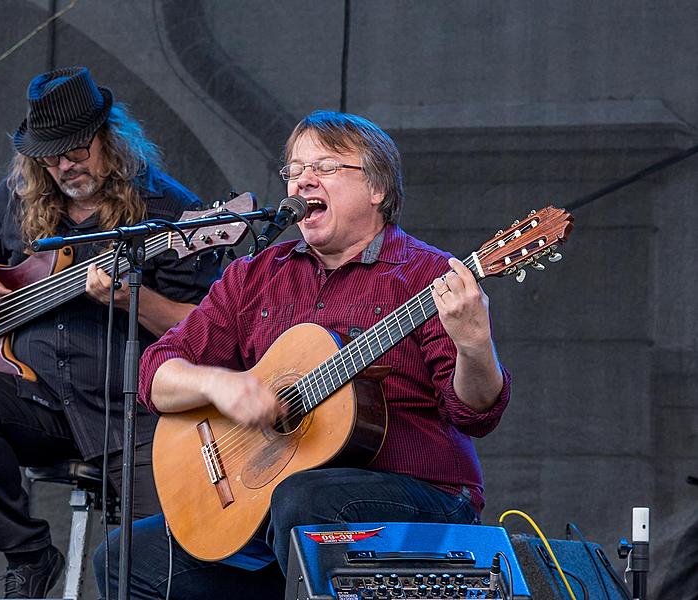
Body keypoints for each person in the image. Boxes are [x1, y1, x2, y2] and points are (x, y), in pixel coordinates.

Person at [95, 110, 511, 598]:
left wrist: (474, 344)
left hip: (420, 493)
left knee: (304, 496)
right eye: (294, 170)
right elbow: (154, 373)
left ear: (377, 188)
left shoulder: (428, 276)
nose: (303, 180)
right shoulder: (253, 276)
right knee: (126, 558)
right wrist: (219, 385)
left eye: (326, 167)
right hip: (281, 509)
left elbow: (475, 413)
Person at [0, 67, 221, 599]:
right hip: (38, 401)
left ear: (109, 137)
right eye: (50, 154)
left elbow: (204, 328)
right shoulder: (22, 196)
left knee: (157, 567)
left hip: (133, 416)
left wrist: (134, 300)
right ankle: (30, 556)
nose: (63, 165)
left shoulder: (173, 213)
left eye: (77, 150)